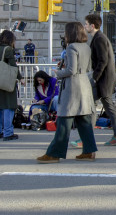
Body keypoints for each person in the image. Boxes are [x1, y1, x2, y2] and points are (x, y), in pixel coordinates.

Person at [37, 22, 97, 163]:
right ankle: (89, 151)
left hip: (72, 87)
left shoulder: (71, 47)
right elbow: (87, 67)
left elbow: (71, 70)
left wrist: (58, 73)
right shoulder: (86, 47)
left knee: (64, 120)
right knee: (84, 121)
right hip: (84, 84)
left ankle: (54, 153)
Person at [82, 14, 116, 146]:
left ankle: (88, 138)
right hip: (104, 79)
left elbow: (103, 60)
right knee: (96, 107)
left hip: (103, 80)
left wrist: (94, 77)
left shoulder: (99, 38)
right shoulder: (98, 37)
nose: (85, 26)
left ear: (92, 26)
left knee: (95, 107)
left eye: (86, 24)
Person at [0, 30, 24, 141]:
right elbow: (13, 66)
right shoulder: (8, 50)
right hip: (6, 81)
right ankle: (8, 133)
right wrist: (20, 78)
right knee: (9, 107)